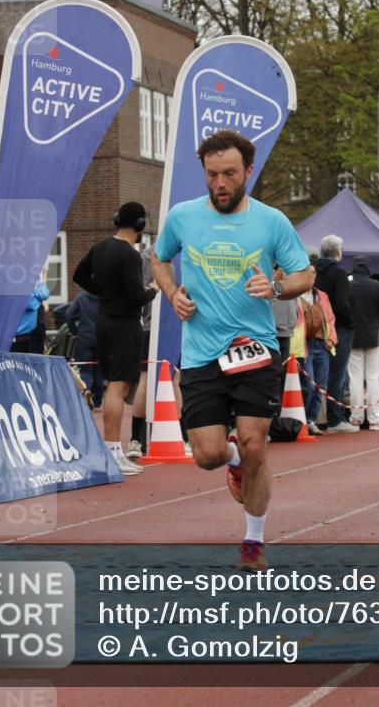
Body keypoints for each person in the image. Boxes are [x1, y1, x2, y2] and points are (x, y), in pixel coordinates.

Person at [151, 130, 313, 572]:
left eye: (228, 174)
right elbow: (160, 258)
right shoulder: (183, 217)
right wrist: (171, 293)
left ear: (247, 172)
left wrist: (276, 286)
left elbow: (306, 274)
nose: (219, 183)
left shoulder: (271, 221)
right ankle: (234, 459)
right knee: (206, 455)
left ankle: (252, 542)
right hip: (202, 351)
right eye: (211, 174)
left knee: (257, 442)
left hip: (255, 350)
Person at [74, 202, 158, 476]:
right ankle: (112, 450)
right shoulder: (131, 255)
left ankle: (114, 450)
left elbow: (79, 275)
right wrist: (152, 290)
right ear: (140, 225)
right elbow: (136, 296)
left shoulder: (100, 248)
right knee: (117, 389)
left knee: (113, 385)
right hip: (124, 325)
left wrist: (103, 291)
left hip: (104, 322)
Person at [312, 235, 354, 432]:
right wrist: (350, 323)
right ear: (339, 252)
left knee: (317, 374)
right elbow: (343, 304)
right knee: (338, 373)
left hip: (315, 327)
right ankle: (335, 419)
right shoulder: (339, 273)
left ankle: (316, 416)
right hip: (337, 327)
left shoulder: (312, 271)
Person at [345, 256, 379, 430]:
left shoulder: (347, 286)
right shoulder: (377, 285)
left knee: (355, 379)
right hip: (374, 336)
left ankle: (356, 418)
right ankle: (374, 419)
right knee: (373, 378)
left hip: (353, 336)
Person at [299, 284, 337, 435]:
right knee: (308, 385)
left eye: (313, 274)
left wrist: (332, 339)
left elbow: (330, 318)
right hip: (304, 344)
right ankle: (301, 420)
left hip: (322, 344)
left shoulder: (322, 295)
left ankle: (310, 420)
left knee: (321, 385)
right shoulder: (295, 295)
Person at [66, 290, 104, 409]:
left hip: (84, 337)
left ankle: (86, 390)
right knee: (99, 371)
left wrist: (75, 331)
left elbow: (69, 314)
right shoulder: (105, 296)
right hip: (101, 337)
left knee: (86, 370)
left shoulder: (81, 297)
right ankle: (98, 402)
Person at [11, 279, 50, 353]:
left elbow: (45, 293)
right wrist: (38, 300)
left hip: (35, 331)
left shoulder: (34, 278)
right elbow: (30, 304)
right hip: (20, 334)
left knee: (37, 359)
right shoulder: (15, 282)